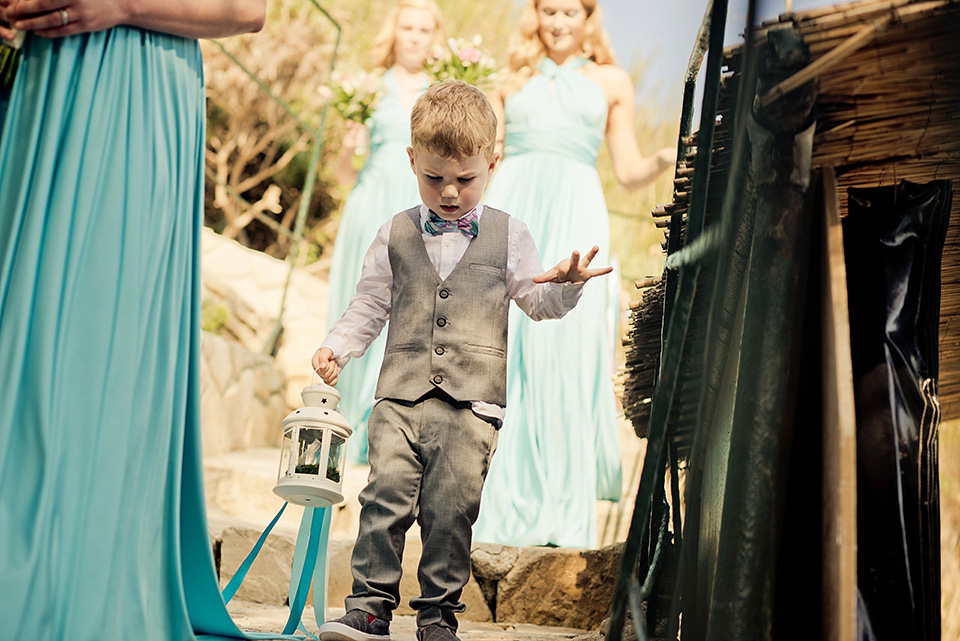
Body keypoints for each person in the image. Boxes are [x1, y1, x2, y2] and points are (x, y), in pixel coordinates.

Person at [0, 1, 269, 640]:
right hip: (43, 85)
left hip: (138, 87)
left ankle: (90, 578)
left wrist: (119, 3)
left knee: (98, 351)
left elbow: (249, 8)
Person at [311, 79, 612, 641]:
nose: (449, 193)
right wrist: (338, 347)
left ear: (492, 164)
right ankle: (369, 605)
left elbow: (537, 301)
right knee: (382, 498)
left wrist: (567, 286)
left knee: (451, 511)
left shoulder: (510, 235)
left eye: (465, 179)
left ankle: (437, 617)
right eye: (434, 178)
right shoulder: (394, 232)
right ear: (411, 160)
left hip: (472, 404)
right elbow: (369, 304)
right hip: (399, 396)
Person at [473, 0, 676, 550]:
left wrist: (665, 155)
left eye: (569, 11)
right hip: (515, 204)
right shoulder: (508, 78)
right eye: (549, 10)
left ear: (589, 17)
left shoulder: (612, 81)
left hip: (577, 210)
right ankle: (492, 491)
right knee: (508, 341)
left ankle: (562, 498)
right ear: (536, 16)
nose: (558, 21)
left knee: (567, 348)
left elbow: (629, 170)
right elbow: (483, 161)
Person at [326, 0, 444, 465]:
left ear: (436, 35)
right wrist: (347, 147)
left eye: (424, 28)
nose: (414, 36)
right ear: (394, 31)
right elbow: (339, 174)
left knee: (410, 306)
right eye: (407, 26)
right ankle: (344, 419)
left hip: (415, 209)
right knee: (361, 300)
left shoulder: (442, 92)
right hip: (368, 202)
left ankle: (389, 420)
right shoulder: (368, 88)